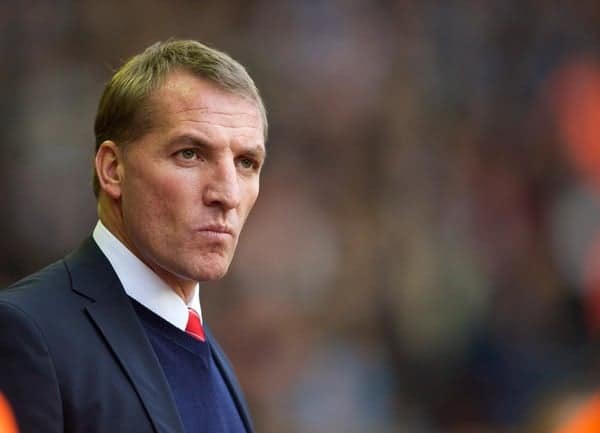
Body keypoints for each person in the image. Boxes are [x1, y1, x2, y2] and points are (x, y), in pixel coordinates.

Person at [0, 39, 267, 433]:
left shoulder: (216, 360)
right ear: (112, 170)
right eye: (190, 153)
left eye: (246, 162)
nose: (226, 193)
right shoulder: (27, 332)